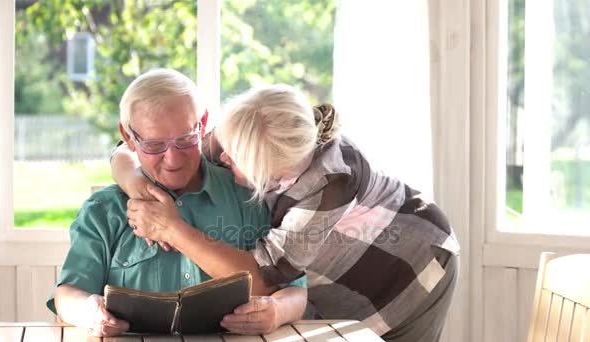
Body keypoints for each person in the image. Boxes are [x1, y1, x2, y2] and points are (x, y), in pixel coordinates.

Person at [112, 83, 460, 341]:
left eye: (236, 161)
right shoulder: (249, 130)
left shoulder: (330, 184)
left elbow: (261, 278)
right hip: (332, 273)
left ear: (273, 173)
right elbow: (138, 150)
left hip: (413, 268)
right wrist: (131, 179)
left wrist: (173, 230)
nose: (221, 158)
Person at [47, 70, 307, 337]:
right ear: (128, 137)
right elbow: (66, 294)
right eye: (154, 145)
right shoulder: (104, 211)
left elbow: (295, 290)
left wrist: (277, 310)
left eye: (185, 140)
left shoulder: (247, 196)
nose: (173, 160)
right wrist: (88, 312)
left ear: (202, 124)